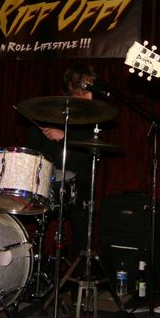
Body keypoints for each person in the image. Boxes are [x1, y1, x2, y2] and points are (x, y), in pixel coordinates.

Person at [23, 63, 98, 261]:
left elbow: (88, 147)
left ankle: (78, 269)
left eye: (90, 87)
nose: (90, 93)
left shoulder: (92, 115)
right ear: (73, 86)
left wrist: (64, 136)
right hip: (50, 178)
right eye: (85, 86)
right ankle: (30, 261)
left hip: (78, 181)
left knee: (81, 217)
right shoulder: (56, 111)